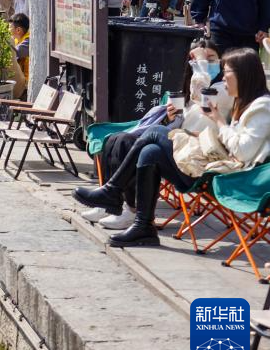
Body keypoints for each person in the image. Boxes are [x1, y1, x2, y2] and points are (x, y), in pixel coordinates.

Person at [78, 49, 270, 247]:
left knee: (155, 132)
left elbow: (243, 152)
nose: (223, 77)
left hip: (233, 179)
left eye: (226, 72)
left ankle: (112, 191)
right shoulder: (245, 103)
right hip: (217, 166)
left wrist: (219, 121)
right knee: (150, 152)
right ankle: (143, 226)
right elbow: (236, 142)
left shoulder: (262, 106)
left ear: (243, 74)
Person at [9, 13, 30, 78]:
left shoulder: (28, 40)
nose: (8, 30)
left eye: (9, 27)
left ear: (18, 30)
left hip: (27, 80)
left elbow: (16, 52)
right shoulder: (16, 40)